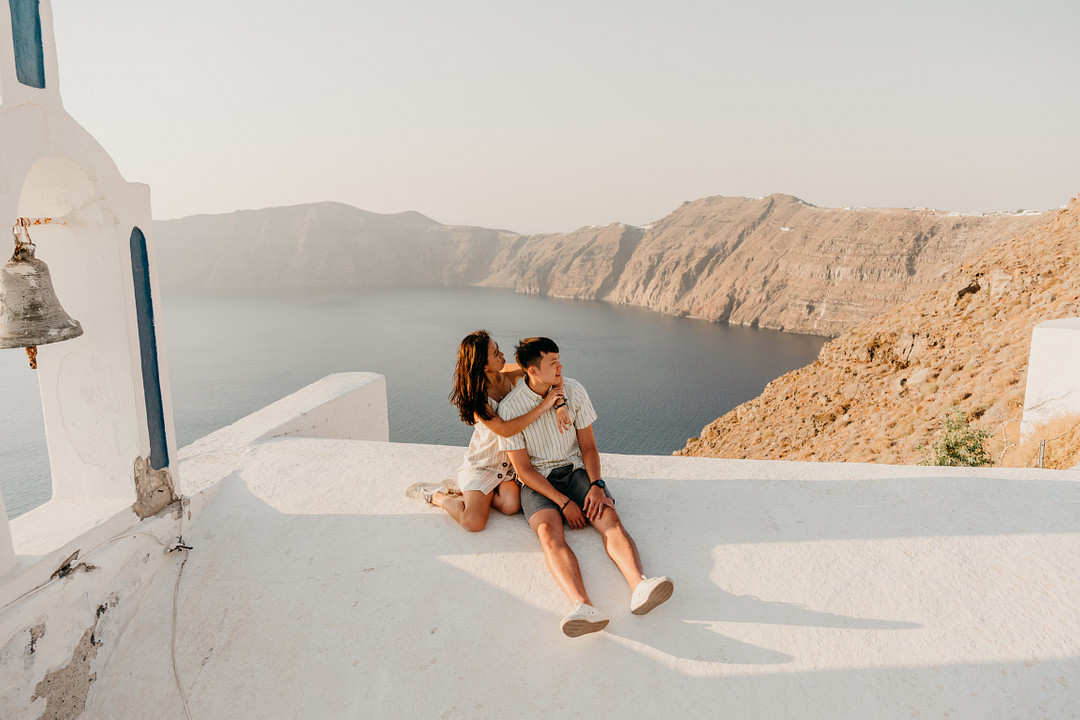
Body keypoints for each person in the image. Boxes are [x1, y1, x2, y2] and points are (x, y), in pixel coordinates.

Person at [498, 336, 673, 637]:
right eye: (553, 362)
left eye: (558, 359)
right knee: (549, 535)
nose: (560, 366)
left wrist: (596, 485)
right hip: (537, 482)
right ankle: (583, 606)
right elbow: (524, 470)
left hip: (575, 471)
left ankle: (639, 585)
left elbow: (589, 447)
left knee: (609, 516)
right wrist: (563, 503)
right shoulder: (511, 409)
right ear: (532, 370)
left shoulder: (574, 391)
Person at [405, 330, 571, 531]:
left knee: (511, 506)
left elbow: (554, 374)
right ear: (483, 365)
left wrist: (560, 405)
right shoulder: (477, 398)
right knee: (472, 523)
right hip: (483, 465)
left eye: (499, 349)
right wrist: (544, 406)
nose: (503, 355)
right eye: (496, 354)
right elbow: (505, 430)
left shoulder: (509, 374)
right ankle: (438, 496)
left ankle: (471, 492)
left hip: (509, 466)